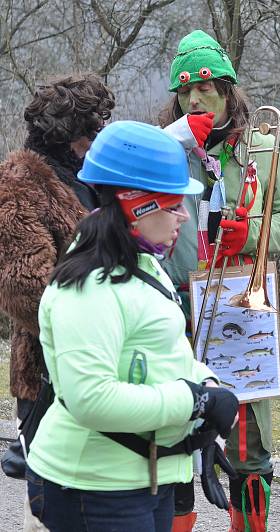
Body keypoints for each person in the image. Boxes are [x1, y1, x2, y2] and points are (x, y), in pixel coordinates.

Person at [24, 120, 240, 531]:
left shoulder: (143, 266)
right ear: (135, 204)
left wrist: (207, 384)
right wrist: (192, 402)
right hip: (96, 488)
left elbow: (165, 351)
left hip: (147, 478)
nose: (182, 218)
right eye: (173, 205)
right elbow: (90, 397)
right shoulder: (89, 285)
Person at [158, 29, 280, 532]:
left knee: (247, 450)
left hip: (239, 305)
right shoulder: (164, 149)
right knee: (173, 439)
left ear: (227, 90)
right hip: (174, 305)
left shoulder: (264, 149)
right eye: (185, 91)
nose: (195, 99)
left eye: (206, 88)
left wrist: (250, 235)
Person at [0, 74, 114, 530]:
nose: (98, 137)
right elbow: (25, 290)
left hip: (104, 365)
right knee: (50, 511)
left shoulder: (88, 175)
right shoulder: (18, 187)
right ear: (67, 134)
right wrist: (106, 315)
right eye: (93, 128)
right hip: (48, 369)